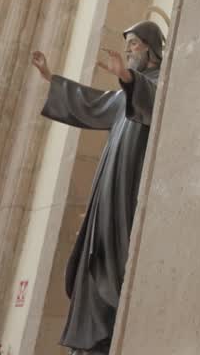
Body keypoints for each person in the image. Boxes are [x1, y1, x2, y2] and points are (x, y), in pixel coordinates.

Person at [30, 20, 164, 355]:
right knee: (97, 250)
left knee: (119, 257)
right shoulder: (124, 94)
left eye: (134, 43)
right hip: (108, 186)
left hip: (130, 188)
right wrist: (50, 78)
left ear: (150, 46)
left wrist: (129, 78)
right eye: (128, 43)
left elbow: (151, 100)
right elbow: (92, 103)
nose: (130, 48)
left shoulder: (159, 84)